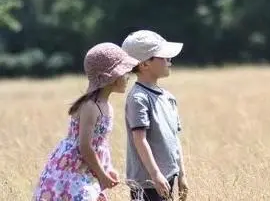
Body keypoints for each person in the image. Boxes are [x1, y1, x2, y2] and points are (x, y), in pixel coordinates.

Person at [33, 42, 139, 201]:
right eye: (124, 72)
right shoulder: (90, 107)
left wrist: (107, 168)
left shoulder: (107, 106)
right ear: (110, 77)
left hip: (89, 170)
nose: (128, 76)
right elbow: (85, 146)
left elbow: (101, 145)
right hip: (72, 172)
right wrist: (102, 175)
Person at [121, 30, 188, 201]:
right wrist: (156, 174)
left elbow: (174, 138)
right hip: (149, 182)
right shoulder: (138, 98)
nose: (169, 61)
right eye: (163, 57)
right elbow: (140, 140)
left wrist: (181, 174)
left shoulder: (168, 98)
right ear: (144, 64)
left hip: (169, 177)